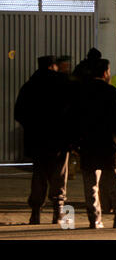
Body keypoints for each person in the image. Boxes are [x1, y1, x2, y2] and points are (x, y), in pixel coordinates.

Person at [76, 58, 116, 229]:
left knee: (91, 186)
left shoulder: (81, 92)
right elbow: (115, 121)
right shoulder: (110, 92)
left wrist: (75, 144)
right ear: (105, 73)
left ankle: (94, 220)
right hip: (107, 145)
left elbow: (75, 120)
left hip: (87, 145)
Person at [14, 56, 71, 225]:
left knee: (39, 174)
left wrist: (32, 127)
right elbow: (72, 110)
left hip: (37, 140)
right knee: (59, 173)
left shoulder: (29, 86)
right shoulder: (62, 83)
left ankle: (36, 213)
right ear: (53, 66)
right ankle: (58, 211)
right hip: (59, 138)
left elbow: (18, 113)